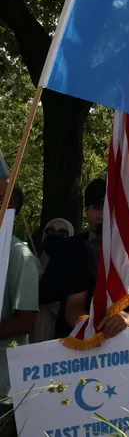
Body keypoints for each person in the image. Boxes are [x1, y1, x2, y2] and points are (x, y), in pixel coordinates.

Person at [0, 184, 43, 436]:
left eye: (4, 202)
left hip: (4, 391)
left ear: (13, 211)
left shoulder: (20, 255)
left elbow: (26, 321)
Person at [39, 178, 105, 338]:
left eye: (108, 208)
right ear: (86, 210)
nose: (102, 215)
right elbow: (45, 293)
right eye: (97, 208)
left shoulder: (126, 251)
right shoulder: (67, 248)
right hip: (70, 340)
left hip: (117, 342)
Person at [33, 218, 73, 342]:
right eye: (51, 231)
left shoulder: (76, 270)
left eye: (61, 233)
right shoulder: (30, 265)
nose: (55, 235)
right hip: (33, 333)